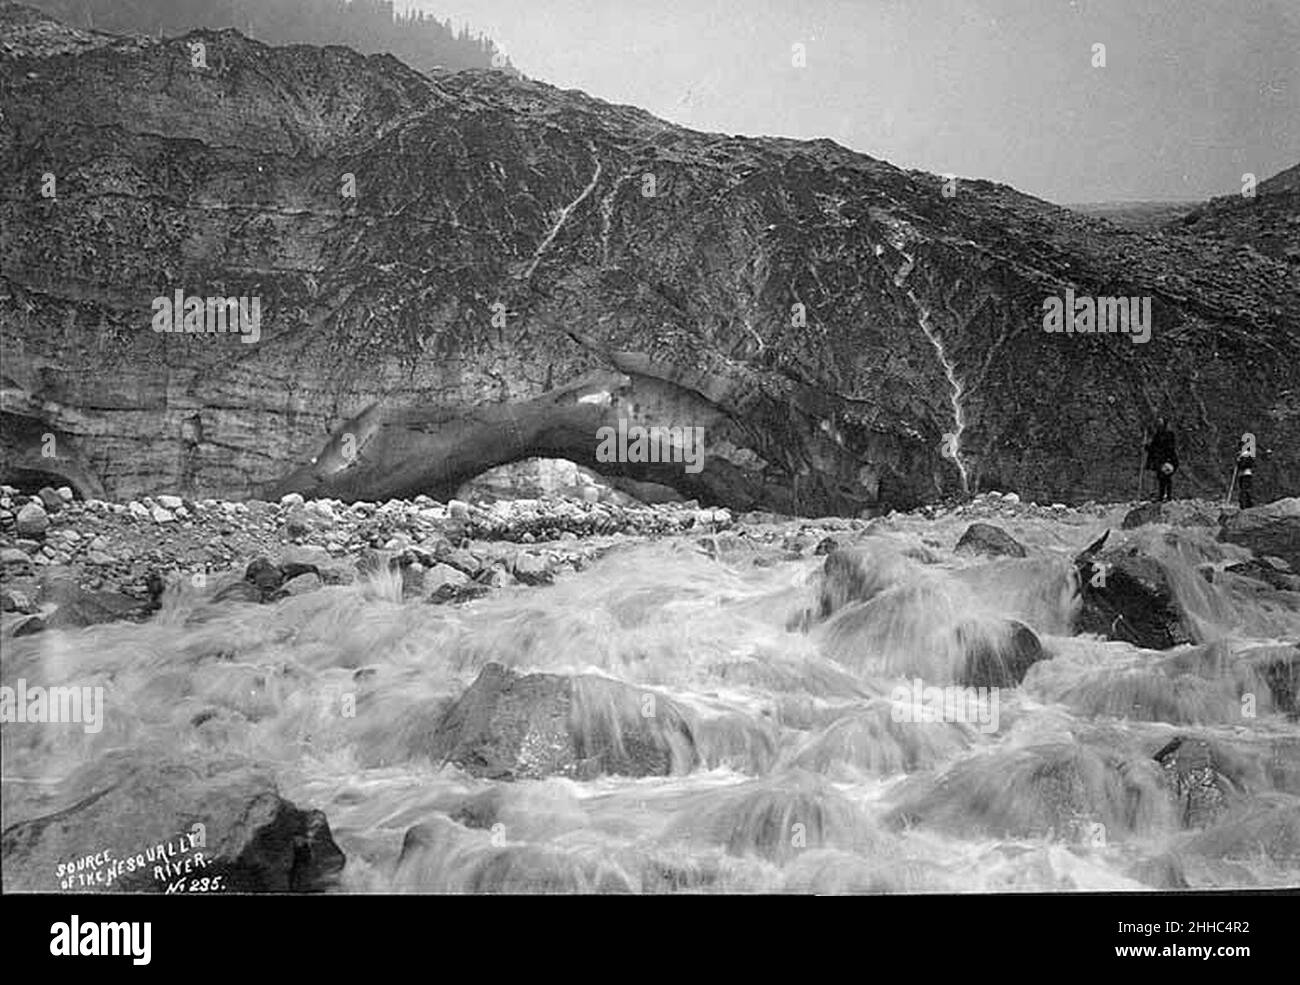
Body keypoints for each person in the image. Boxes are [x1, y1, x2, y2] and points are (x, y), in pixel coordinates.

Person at [1145, 417, 1178, 502]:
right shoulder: (1157, 435)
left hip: (1168, 459)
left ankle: (1168, 496)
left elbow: (1170, 447)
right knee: (1161, 477)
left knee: (1166, 477)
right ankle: (1161, 495)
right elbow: (1154, 447)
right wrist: (1148, 447)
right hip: (1160, 460)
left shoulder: (1169, 435)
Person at [1236, 436, 1256, 509]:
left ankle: (1247, 505)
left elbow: (1246, 464)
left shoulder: (1247, 454)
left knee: (1245, 490)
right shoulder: (1241, 454)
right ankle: (1244, 504)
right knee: (1242, 490)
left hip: (1246, 474)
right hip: (1242, 474)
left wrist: (1240, 462)